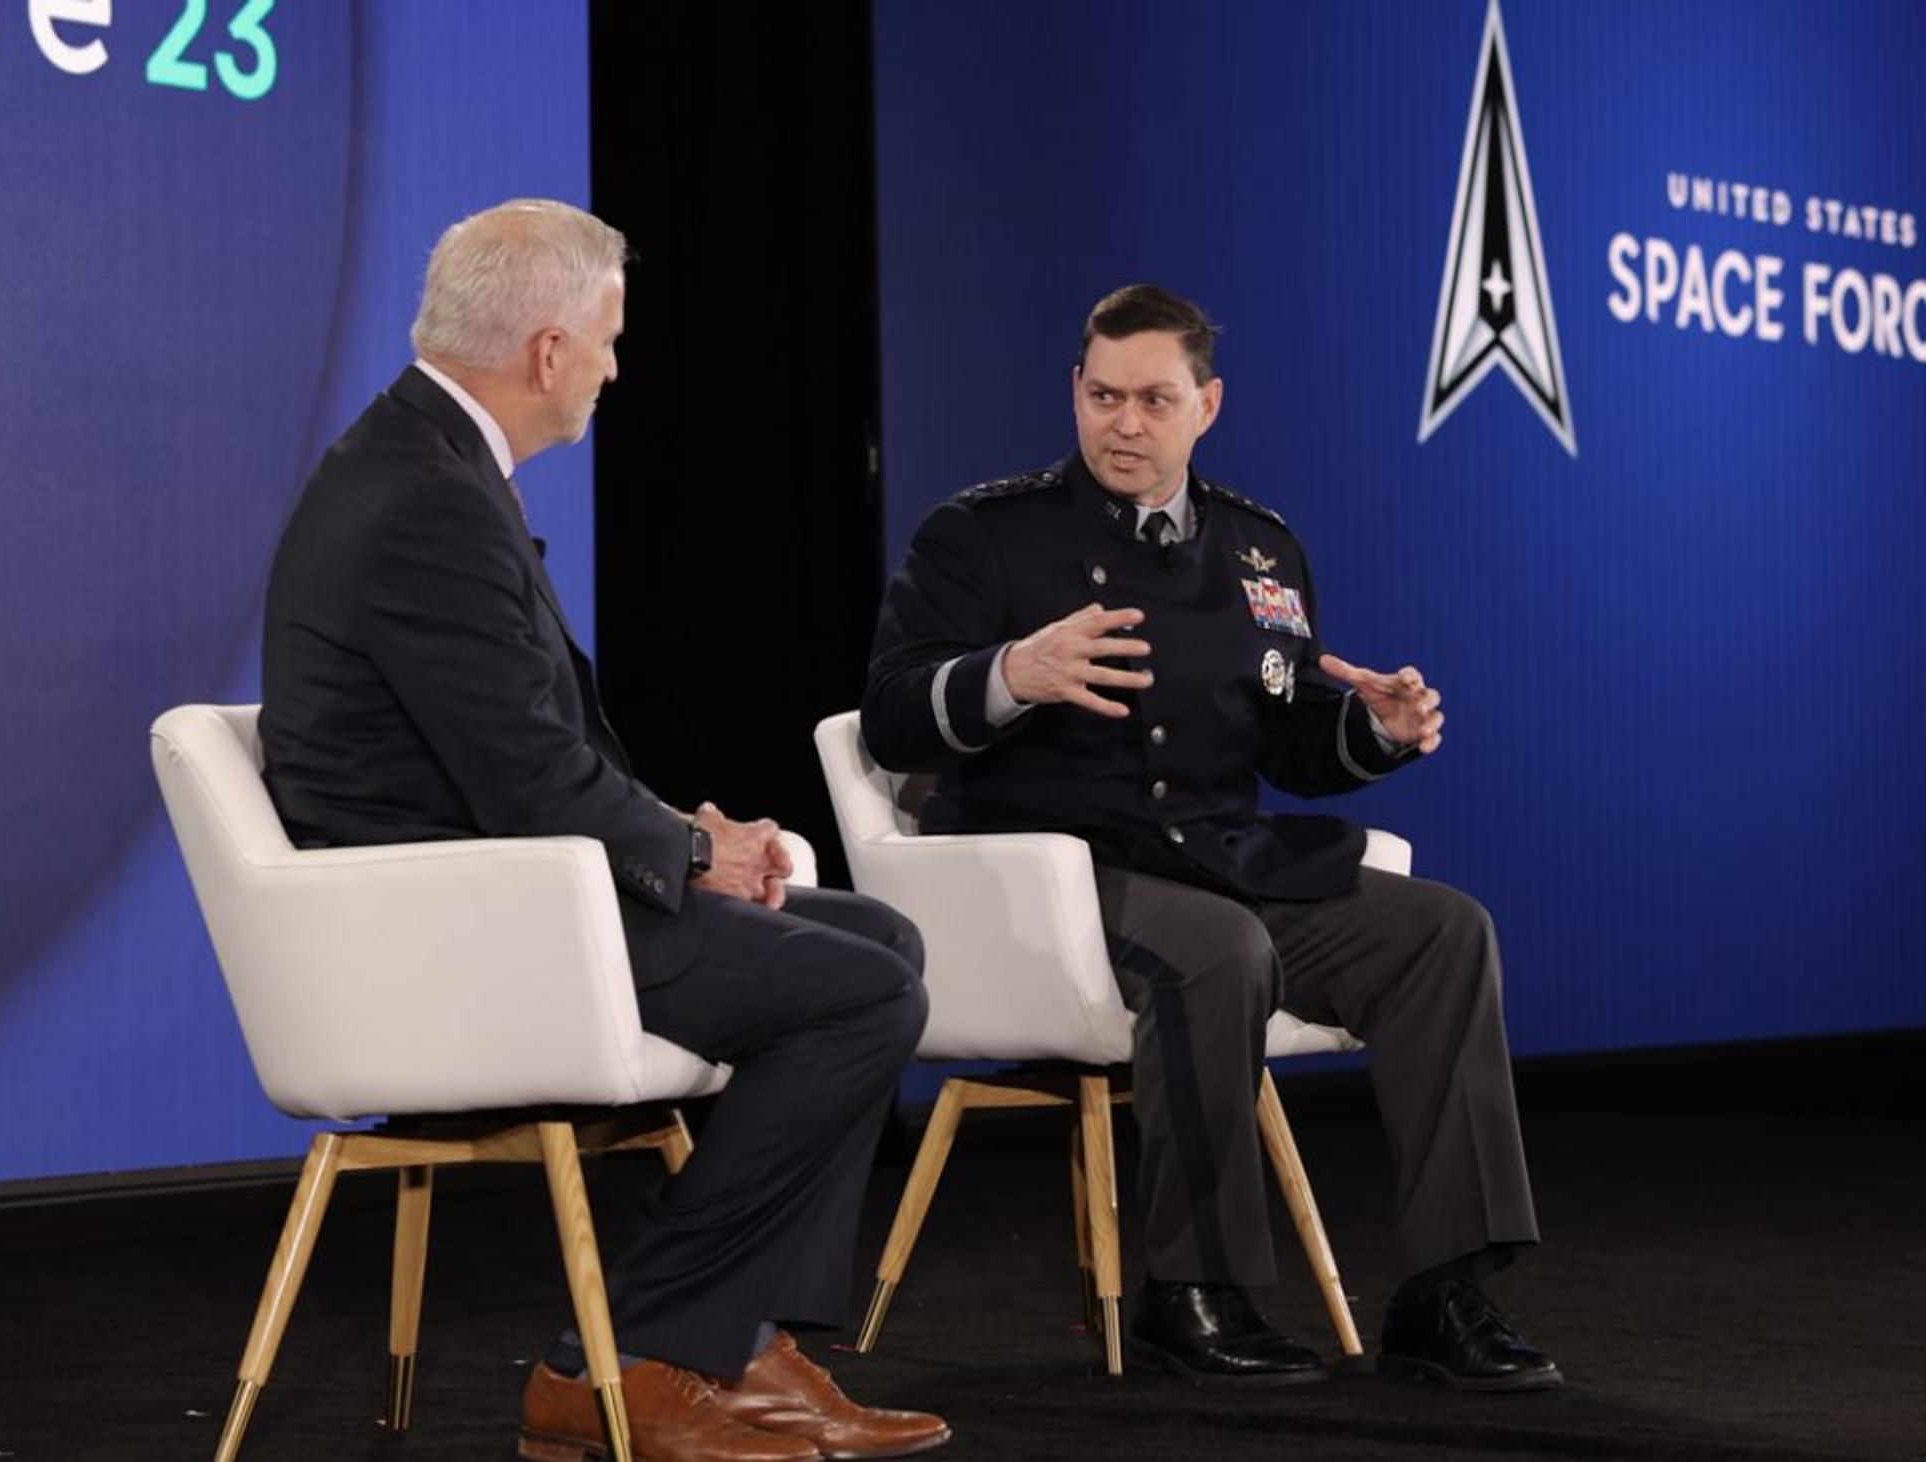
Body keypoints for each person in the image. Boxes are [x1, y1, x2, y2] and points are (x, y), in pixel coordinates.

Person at [261, 199, 953, 1462]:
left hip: (502, 887)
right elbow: (526, 777)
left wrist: (681, 829)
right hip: (466, 928)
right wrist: (697, 855)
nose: (614, 368)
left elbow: (517, 751)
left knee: (882, 938)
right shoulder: (424, 494)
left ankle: (731, 1341)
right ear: (545, 351)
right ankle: (619, 1358)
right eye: (609, 340)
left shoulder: (426, 461)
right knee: (856, 996)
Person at [861, 284, 1558, 1393]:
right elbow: (891, 711)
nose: (1122, 423)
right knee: (1213, 950)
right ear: (1074, 393)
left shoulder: (1260, 551)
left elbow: (1285, 743)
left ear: (1206, 404)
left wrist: (1370, 733)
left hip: (1220, 858)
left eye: (1151, 398)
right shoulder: (984, 534)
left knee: (1441, 932)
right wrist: (1010, 673)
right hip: (1057, 871)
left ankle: (1443, 1292)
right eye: (1101, 396)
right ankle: (1195, 1292)